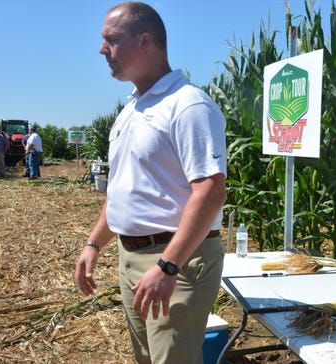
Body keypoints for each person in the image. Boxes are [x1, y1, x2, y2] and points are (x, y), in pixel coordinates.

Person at [73, 2, 227, 364]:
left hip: (177, 260)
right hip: (132, 258)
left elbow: (210, 192)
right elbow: (122, 191)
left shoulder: (188, 106)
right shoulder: (130, 111)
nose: (102, 49)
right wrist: (94, 243)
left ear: (145, 41)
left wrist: (168, 266)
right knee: (148, 358)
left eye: (111, 39)